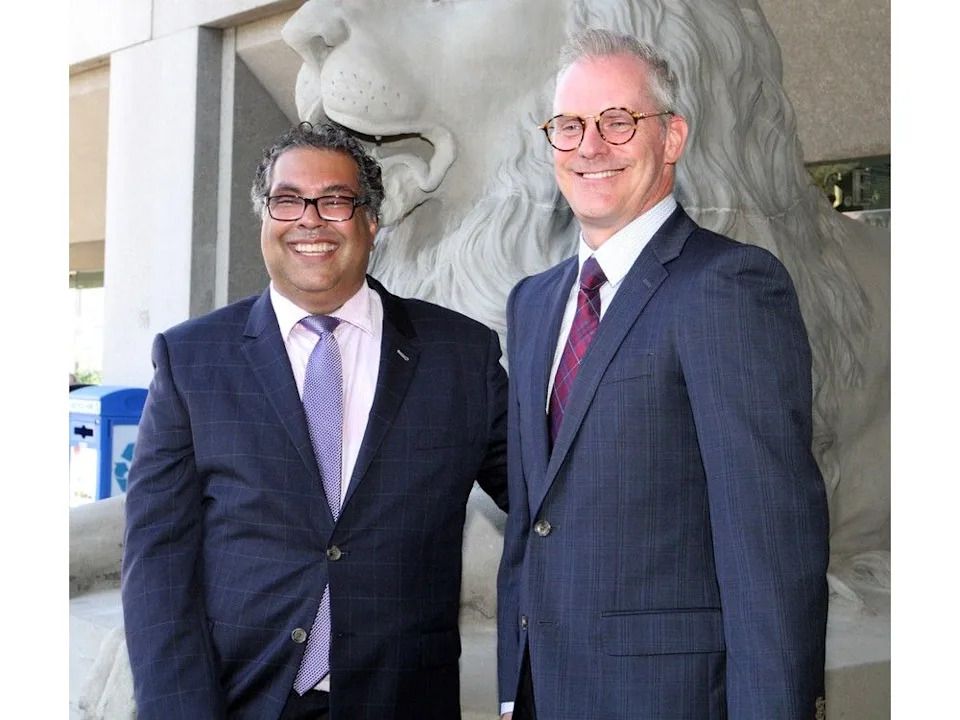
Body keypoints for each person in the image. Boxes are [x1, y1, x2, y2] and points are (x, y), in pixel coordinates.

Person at [121, 122, 509, 720]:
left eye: (335, 201)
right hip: (242, 700)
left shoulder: (461, 356)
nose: (310, 219)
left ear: (371, 222)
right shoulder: (191, 360)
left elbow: (550, 503)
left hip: (402, 702)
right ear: (265, 220)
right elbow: (157, 565)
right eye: (287, 200)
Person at [496, 29, 829, 720]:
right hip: (542, 694)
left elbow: (769, 544)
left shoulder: (728, 286)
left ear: (672, 137)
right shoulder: (533, 301)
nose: (590, 145)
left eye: (618, 121)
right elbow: (539, 520)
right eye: (569, 126)